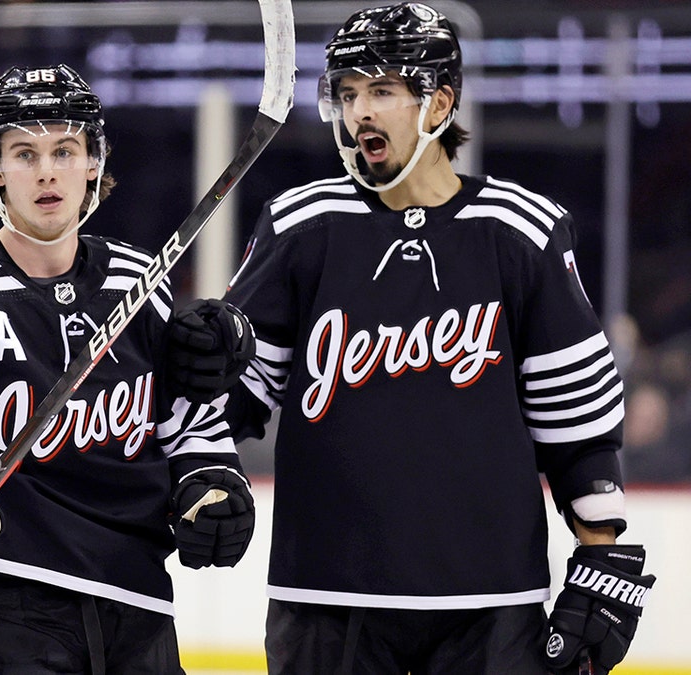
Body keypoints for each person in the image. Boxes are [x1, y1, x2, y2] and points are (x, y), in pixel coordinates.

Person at [168, 3, 657, 673]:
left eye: (381, 90)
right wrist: (202, 390)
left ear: (440, 102)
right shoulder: (302, 225)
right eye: (347, 94)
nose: (359, 111)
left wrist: (602, 553)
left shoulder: (523, 231)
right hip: (325, 602)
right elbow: (234, 395)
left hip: (490, 606)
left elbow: (573, 420)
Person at [0, 63, 258, 674]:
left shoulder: (141, 284)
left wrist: (214, 490)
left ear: (94, 161)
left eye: (65, 150)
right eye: (24, 152)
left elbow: (192, 431)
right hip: (1, 605)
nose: (45, 171)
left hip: (138, 605)